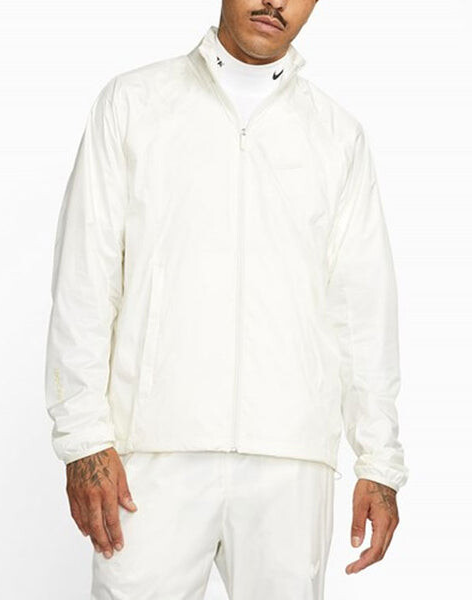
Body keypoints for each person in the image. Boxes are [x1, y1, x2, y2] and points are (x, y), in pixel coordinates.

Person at [44, 1, 409, 598]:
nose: (276, 2)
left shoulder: (336, 136)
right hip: (153, 452)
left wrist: (379, 461)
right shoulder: (134, 104)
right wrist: (83, 440)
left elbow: (362, 311)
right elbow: (85, 279)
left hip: (290, 459)